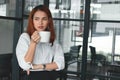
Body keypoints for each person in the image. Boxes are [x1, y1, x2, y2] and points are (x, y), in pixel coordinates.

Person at [16, 5, 65, 80]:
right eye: (36, 19)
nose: (40, 22)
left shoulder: (52, 40)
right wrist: (33, 43)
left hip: (48, 77)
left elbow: (60, 64)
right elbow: (25, 65)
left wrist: (40, 66)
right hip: (31, 77)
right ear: (32, 21)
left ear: (48, 21)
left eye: (44, 19)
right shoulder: (25, 37)